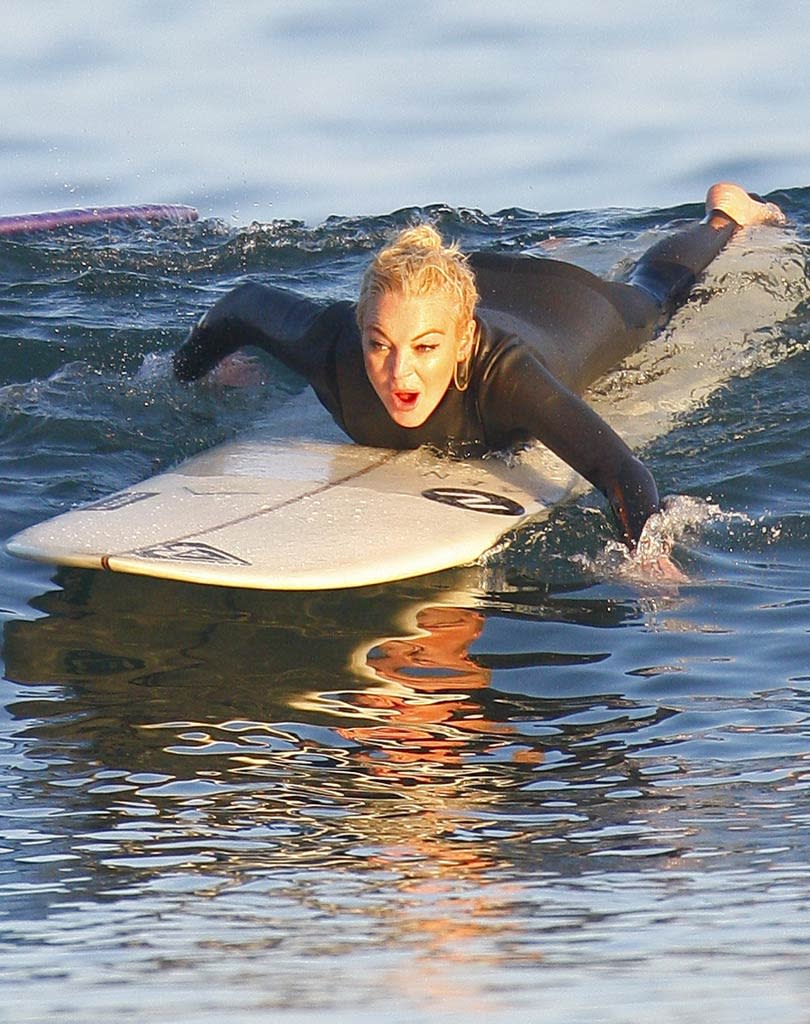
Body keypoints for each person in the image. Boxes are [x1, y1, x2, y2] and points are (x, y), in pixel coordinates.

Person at [172, 183, 785, 571]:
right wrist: (195, 373)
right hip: (456, 283)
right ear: (358, 325)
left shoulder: (507, 378)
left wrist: (647, 558)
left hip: (568, 306)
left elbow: (620, 472)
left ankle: (724, 217)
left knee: (651, 299)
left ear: (462, 343)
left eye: (425, 349)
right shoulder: (332, 345)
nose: (399, 372)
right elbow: (242, 304)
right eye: (377, 344)